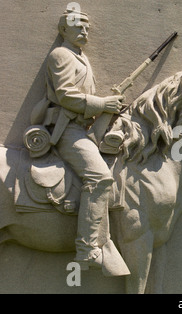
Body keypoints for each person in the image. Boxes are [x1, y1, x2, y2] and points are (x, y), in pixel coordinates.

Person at [45, 9, 124, 269]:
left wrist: (107, 108)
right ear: (64, 30)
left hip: (83, 129)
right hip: (67, 130)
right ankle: (87, 249)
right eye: (78, 26)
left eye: (87, 27)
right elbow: (66, 95)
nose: (85, 31)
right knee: (99, 177)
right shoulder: (61, 55)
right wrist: (102, 103)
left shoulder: (82, 58)